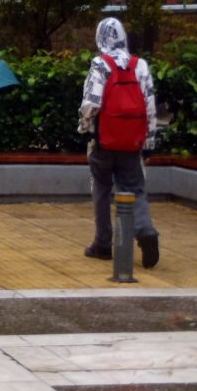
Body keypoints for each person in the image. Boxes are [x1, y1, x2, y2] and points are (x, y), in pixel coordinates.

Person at [78, 16, 159, 268]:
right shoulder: (140, 65)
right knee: (135, 189)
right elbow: (150, 105)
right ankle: (145, 231)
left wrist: (84, 127)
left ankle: (102, 244)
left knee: (102, 189)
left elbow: (91, 103)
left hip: (104, 141)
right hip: (132, 142)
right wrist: (149, 140)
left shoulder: (100, 64)